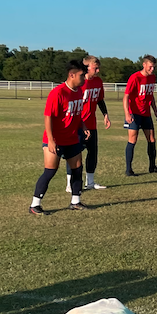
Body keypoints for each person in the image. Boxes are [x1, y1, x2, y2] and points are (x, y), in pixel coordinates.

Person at [29, 60, 89, 215]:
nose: (84, 78)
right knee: (50, 171)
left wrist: (82, 126)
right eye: (82, 75)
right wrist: (50, 140)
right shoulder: (58, 92)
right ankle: (35, 205)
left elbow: (77, 114)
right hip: (55, 139)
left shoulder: (79, 91)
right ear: (72, 75)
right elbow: (48, 117)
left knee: (77, 169)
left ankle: (75, 201)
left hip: (72, 139)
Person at [65, 56, 111, 192]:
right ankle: (70, 184)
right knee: (74, 154)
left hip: (92, 124)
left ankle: (90, 182)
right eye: (95, 68)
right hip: (77, 125)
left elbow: (100, 99)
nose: (97, 70)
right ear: (86, 68)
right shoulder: (78, 82)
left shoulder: (98, 81)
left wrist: (106, 115)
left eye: (98, 68)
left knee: (92, 152)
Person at [123, 55, 157, 175]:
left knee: (152, 139)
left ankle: (152, 167)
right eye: (150, 67)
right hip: (134, 113)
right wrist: (127, 113)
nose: (152, 69)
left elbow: (150, 95)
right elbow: (126, 96)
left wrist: (155, 111)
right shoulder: (135, 77)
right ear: (144, 65)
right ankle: (128, 169)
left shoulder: (152, 77)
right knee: (133, 139)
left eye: (154, 67)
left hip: (146, 113)